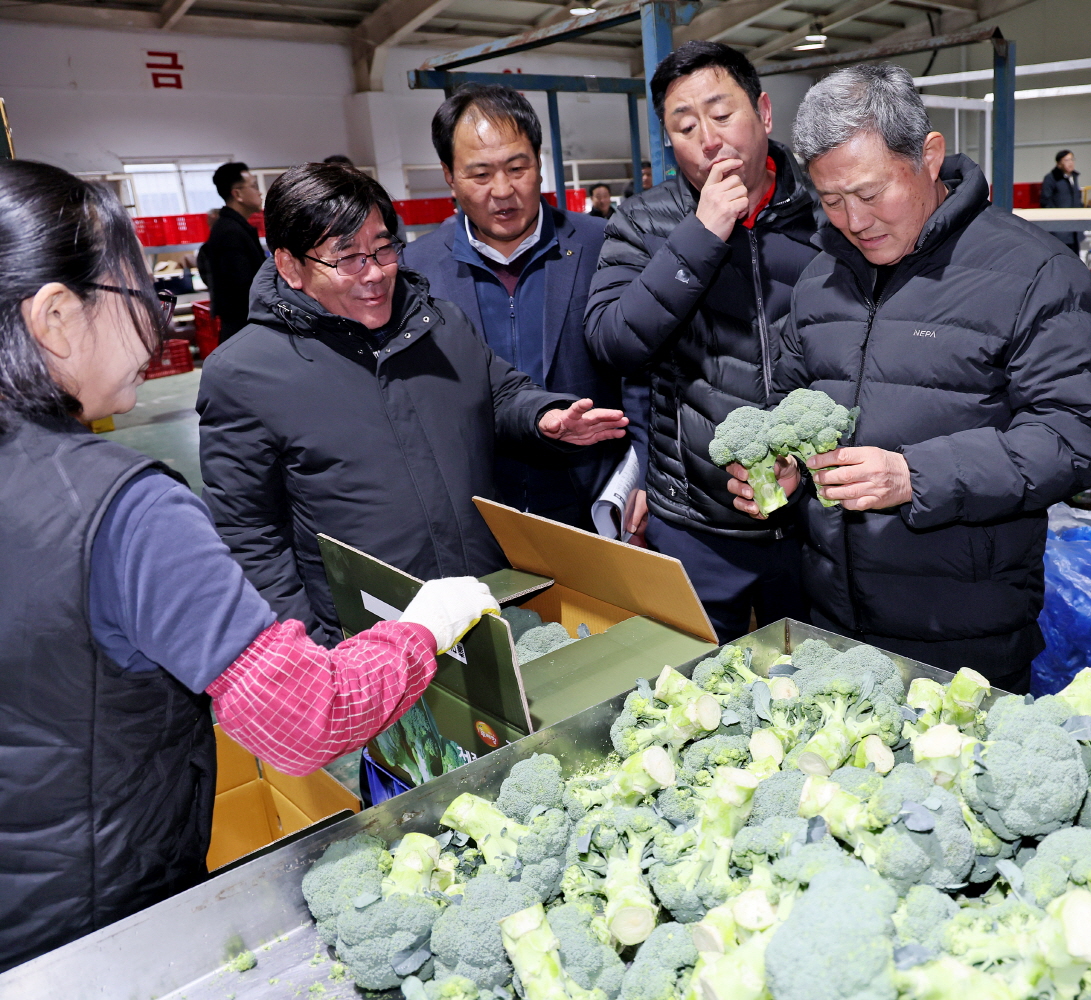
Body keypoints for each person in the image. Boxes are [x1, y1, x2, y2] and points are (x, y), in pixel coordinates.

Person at [0, 159, 502, 971]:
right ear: (56, 317)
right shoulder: (123, 509)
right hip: (100, 916)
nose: (158, 334)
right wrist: (421, 630)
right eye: (139, 300)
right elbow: (302, 720)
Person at [728, 65, 1091, 688]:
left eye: (871, 192)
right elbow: (789, 399)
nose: (853, 220)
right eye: (831, 200)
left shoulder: (1035, 273)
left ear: (929, 156)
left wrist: (916, 476)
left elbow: (1076, 439)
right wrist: (783, 468)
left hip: (964, 634)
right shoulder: (821, 277)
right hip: (831, 619)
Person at [197, 161, 627, 646]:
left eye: (383, 248)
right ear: (290, 267)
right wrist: (312, 651)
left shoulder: (440, 325)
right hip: (368, 639)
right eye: (348, 258)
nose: (376, 273)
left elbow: (500, 393)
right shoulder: (245, 374)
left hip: (480, 605)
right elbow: (250, 537)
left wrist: (543, 417)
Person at [586, 41, 820, 642]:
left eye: (722, 115)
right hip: (693, 521)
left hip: (815, 521)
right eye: (685, 126)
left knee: (812, 684)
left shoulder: (827, 211)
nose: (709, 139)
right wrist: (701, 235)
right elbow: (614, 341)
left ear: (764, 113)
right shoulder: (643, 222)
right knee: (694, 691)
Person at [404, 85, 643, 540]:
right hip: (479, 509)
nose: (503, 190)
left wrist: (646, 476)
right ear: (449, 176)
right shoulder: (417, 271)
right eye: (479, 174)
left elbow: (649, 371)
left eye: (518, 168)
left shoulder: (605, 244)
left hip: (598, 500)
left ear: (539, 162)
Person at [197, 161, 265, 337]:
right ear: (238, 194)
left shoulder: (235, 227)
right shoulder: (230, 232)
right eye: (254, 186)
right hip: (243, 327)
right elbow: (241, 287)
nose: (260, 192)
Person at [1041, 149, 1083, 253]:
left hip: (1075, 229)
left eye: (1072, 159)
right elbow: (1045, 201)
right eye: (1066, 160)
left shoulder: (1073, 177)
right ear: (1059, 163)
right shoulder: (1051, 178)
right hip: (1060, 230)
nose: (1070, 163)